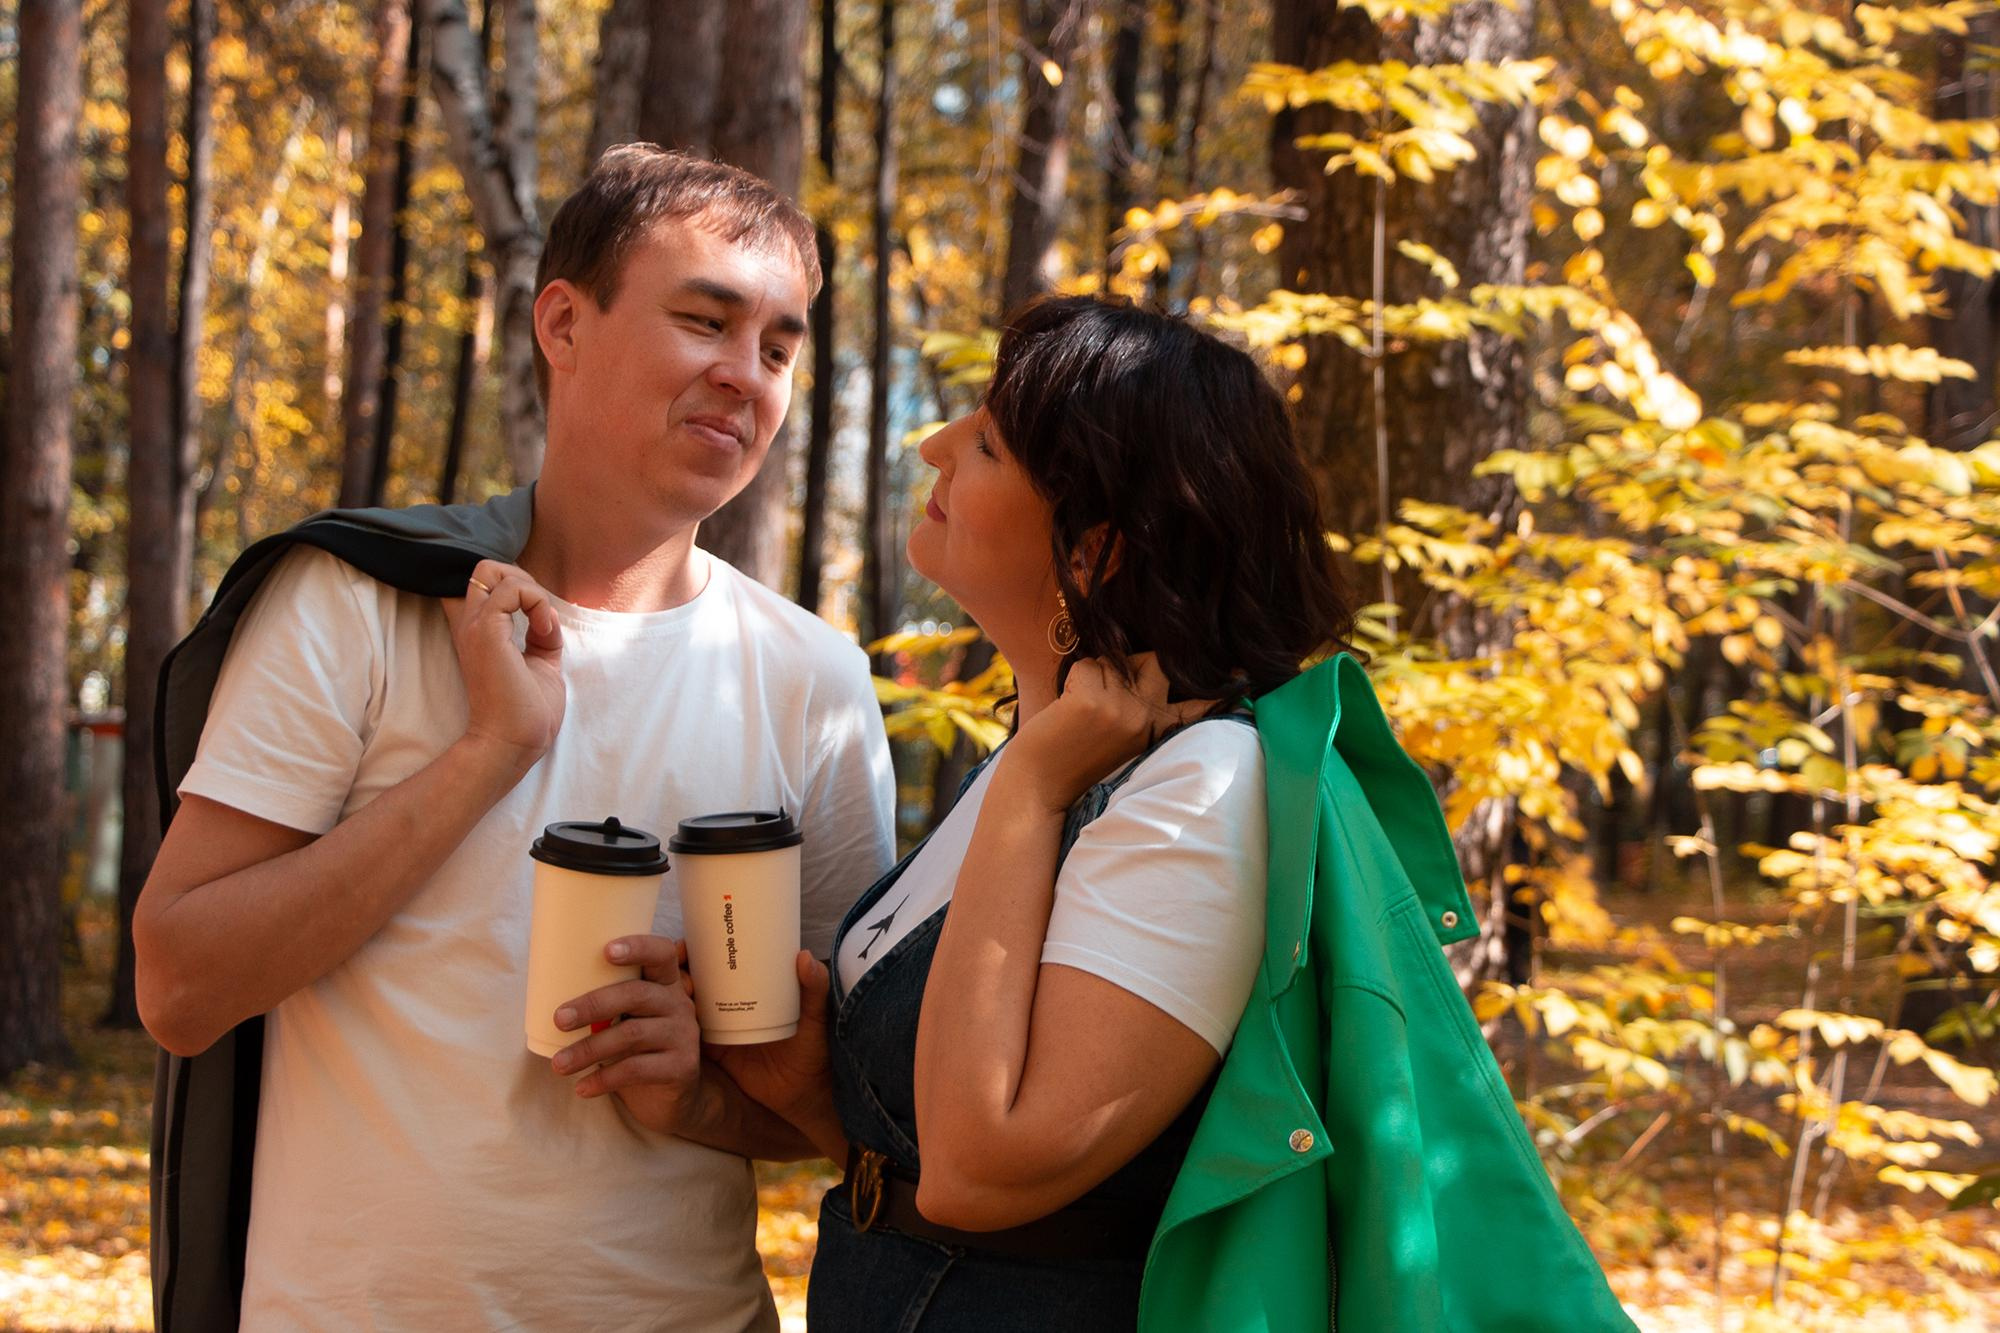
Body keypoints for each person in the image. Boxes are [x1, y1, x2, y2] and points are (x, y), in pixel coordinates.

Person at [136, 146, 895, 1331]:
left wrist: (695, 1091)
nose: (744, 375)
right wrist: (489, 750)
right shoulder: (356, 601)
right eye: (705, 320)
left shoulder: (815, 680)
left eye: (780, 348)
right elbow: (180, 984)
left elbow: (856, 1111)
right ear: (562, 322)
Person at [553, 293, 1353, 1328]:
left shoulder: (1196, 791)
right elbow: (928, 1180)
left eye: (984, 442)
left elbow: (984, 1174)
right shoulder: (1039, 759)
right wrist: (802, 1090)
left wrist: (1030, 787)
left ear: (1093, 551)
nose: (931, 445)